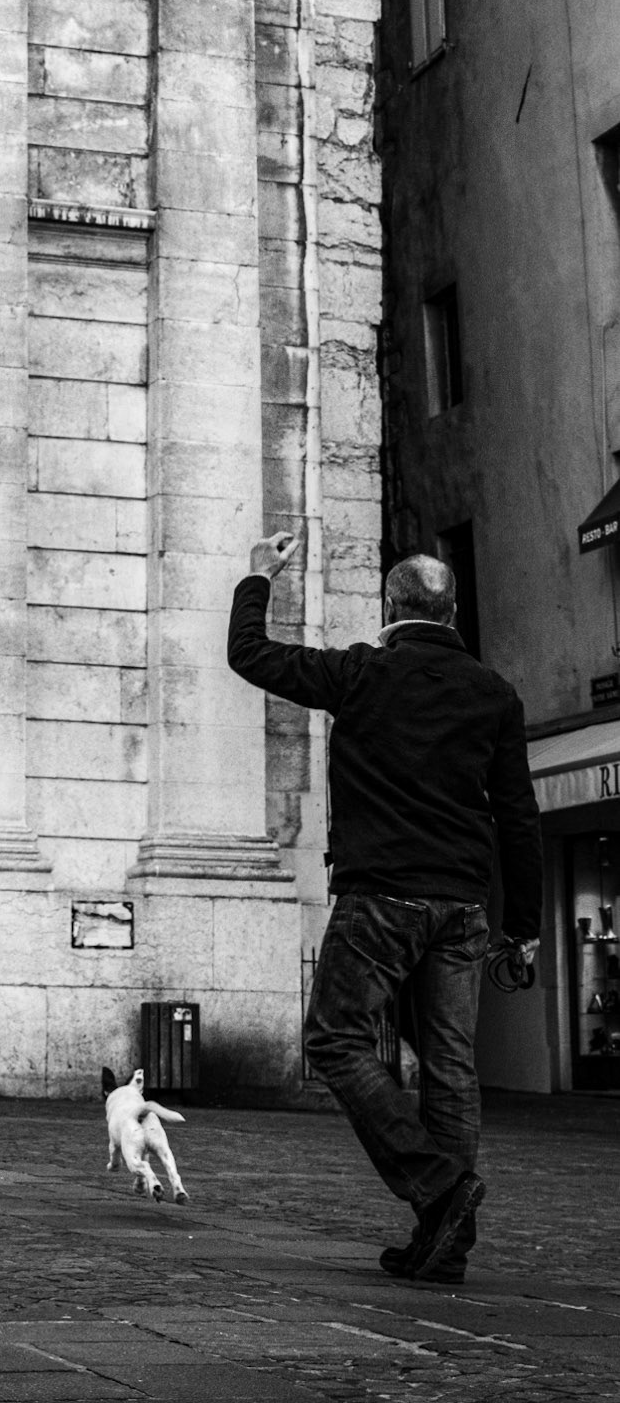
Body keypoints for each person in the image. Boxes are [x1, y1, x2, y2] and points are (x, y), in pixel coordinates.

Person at [228, 535, 542, 1284]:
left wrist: (257, 575)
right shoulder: (494, 692)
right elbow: (517, 814)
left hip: (382, 897)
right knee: (450, 1065)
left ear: (389, 607)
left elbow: (251, 655)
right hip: (463, 905)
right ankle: (445, 1244)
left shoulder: (360, 672)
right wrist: (524, 927)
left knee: (335, 1039)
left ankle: (437, 1186)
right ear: (453, 611)